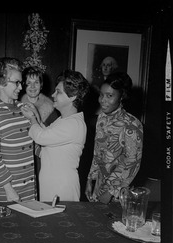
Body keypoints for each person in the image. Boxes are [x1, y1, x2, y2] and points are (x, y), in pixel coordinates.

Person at [21, 69, 90, 202]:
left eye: (58, 92)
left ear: (73, 96)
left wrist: (32, 119)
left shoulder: (74, 124)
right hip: (53, 184)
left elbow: (41, 137)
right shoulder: (63, 120)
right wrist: (37, 118)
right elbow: (47, 135)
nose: (53, 95)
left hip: (62, 187)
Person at [0, 57, 37, 202]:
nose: (21, 87)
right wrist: (9, 190)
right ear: (1, 82)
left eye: (20, 82)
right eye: (16, 83)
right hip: (6, 191)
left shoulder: (23, 108)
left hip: (28, 187)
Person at [85, 72, 143, 204]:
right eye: (101, 94)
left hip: (119, 191)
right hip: (99, 185)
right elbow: (97, 152)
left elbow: (133, 163)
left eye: (109, 96)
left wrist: (111, 192)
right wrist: (90, 179)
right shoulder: (102, 118)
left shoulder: (132, 124)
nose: (102, 100)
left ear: (122, 96)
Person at [20, 66, 59, 190]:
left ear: (41, 85)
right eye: (28, 83)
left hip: (42, 158)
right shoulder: (17, 106)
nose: (32, 87)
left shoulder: (51, 109)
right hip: (22, 156)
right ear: (23, 85)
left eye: (36, 82)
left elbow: (54, 138)